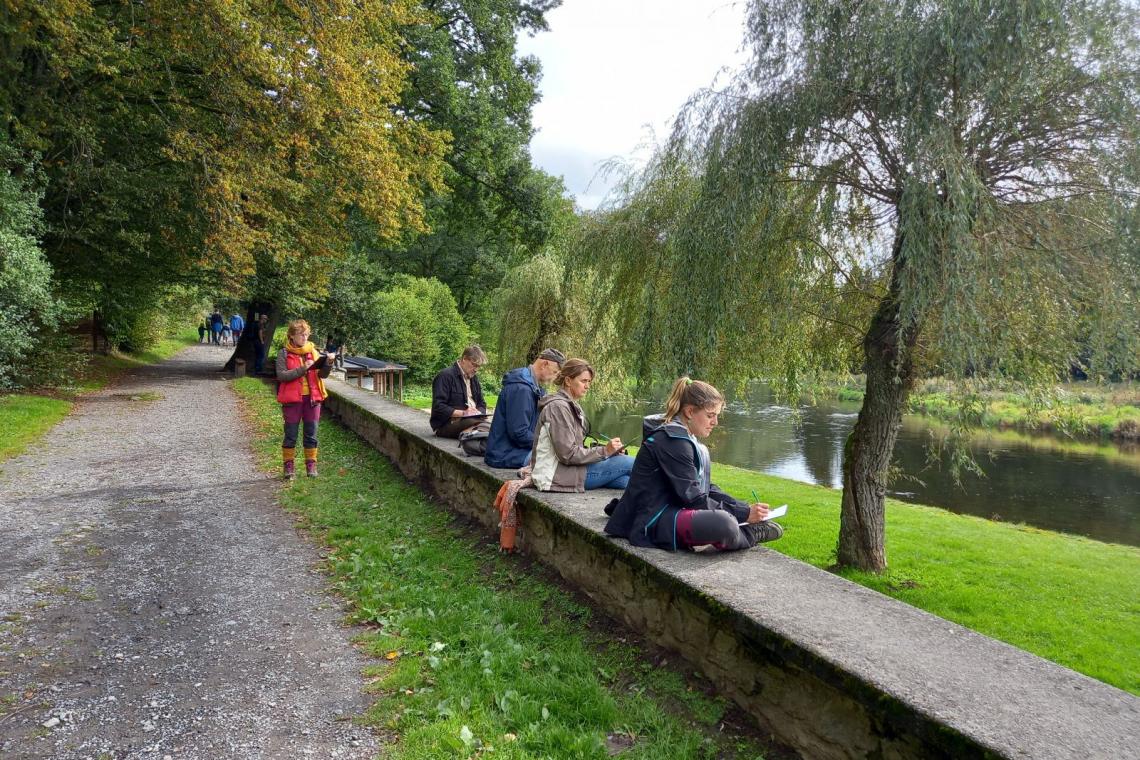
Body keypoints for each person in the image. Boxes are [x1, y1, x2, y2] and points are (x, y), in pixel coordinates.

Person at [604, 377, 783, 552]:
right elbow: (694, 499)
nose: (715, 422)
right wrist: (744, 514)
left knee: (725, 517)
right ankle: (750, 534)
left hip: (670, 510)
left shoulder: (685, 438)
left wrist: (743, 507)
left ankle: (738, 527)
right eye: (710, 415)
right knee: (724, 523)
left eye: (717, 416)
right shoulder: (672, 441)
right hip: (653, 521)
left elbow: (705, 488)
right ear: (690, 412)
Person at [529, 358, 634, 492]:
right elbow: (568, 454)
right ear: (568, 381)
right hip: (554, 476)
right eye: (583, 381)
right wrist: (605, 451)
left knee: (626, 481)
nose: (587, 386)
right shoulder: (558, 407)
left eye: (589, 382)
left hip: (566, 472)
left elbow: (573, 448)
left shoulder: (569, 405)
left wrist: (610, 452)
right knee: (630, 463)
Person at [484, 348, 565, 470]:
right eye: (554, 372)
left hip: (514, 451)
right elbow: (519, 433)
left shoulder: (530, 386)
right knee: (563, 464)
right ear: (545, 364)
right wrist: (549, 444)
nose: (553, 378)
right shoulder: (522, 389)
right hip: (505, 454)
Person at [275, 319, 335, 478]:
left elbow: (322, 375)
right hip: (292, 400)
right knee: (291, 434)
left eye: (306, 334)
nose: (304, 338)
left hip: (313, 399)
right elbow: (282, 376)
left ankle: (311, 466)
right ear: (292, 336)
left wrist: (328, 363)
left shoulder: (314, 352)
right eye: (300, 335)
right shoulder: (284, 353)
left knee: (311, 433)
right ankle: (289, 468)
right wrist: (303, 368)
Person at [430, 345, 488, 438]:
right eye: (474, 365)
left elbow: (482, 403)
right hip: (446, 424)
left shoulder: (474, 378)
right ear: (464, 359)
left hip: (472, 420)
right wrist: (464, 413)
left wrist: (478, 412)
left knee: (491, 427)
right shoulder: (445, 376)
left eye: (478, 366)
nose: (476, 369)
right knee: (482, 426)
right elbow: (438, 406)